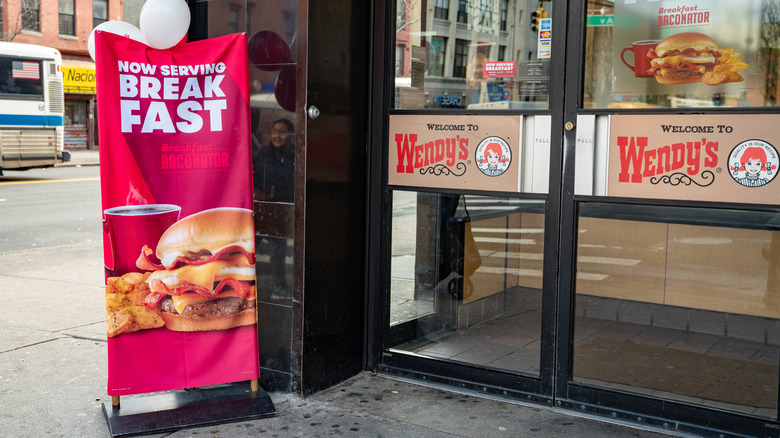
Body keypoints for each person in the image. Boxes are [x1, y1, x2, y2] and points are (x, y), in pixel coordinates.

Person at [253, 118, 295, 299]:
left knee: (278, 250)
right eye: (275, 130)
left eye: (282, 131)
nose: (278, 135)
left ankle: (279, 287)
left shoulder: (294, 153)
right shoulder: (264, 153)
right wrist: (291, 171)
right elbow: (281, 176)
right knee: (251, 247)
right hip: (263, 209)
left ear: (291, 135)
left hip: (281, 209)